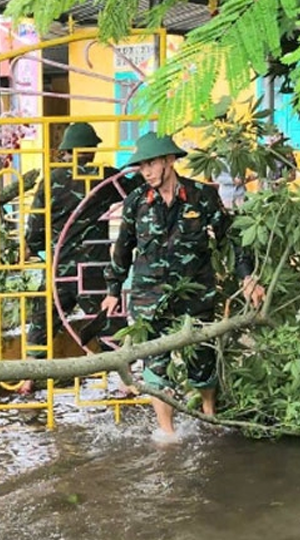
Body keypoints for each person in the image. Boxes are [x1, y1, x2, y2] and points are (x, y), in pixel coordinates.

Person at [100, 132, 265, 435]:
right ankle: (168, 434)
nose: (146, 171)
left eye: (150, 164)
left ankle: (210, 414)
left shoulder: (203, 196)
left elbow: (231, 237)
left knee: (201, 361)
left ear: (169, 160)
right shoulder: (136, 201)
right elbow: (123, 247)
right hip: (149, 298)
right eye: (141, 166)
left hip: (196, 295)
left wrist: (248, 277)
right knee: (155, 367)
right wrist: (113, 289)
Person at [19, 123, 141, 394]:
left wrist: (32, 245)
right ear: (91, 150)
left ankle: (28, 376)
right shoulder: (104, 177)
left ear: (66, 150)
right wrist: (141, 161)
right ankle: (125, 379)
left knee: (43, 319)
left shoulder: (51, 179)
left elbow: (37, 219)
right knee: (111, 319)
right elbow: (136, 189)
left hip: (58, 266)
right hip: (92, 267)